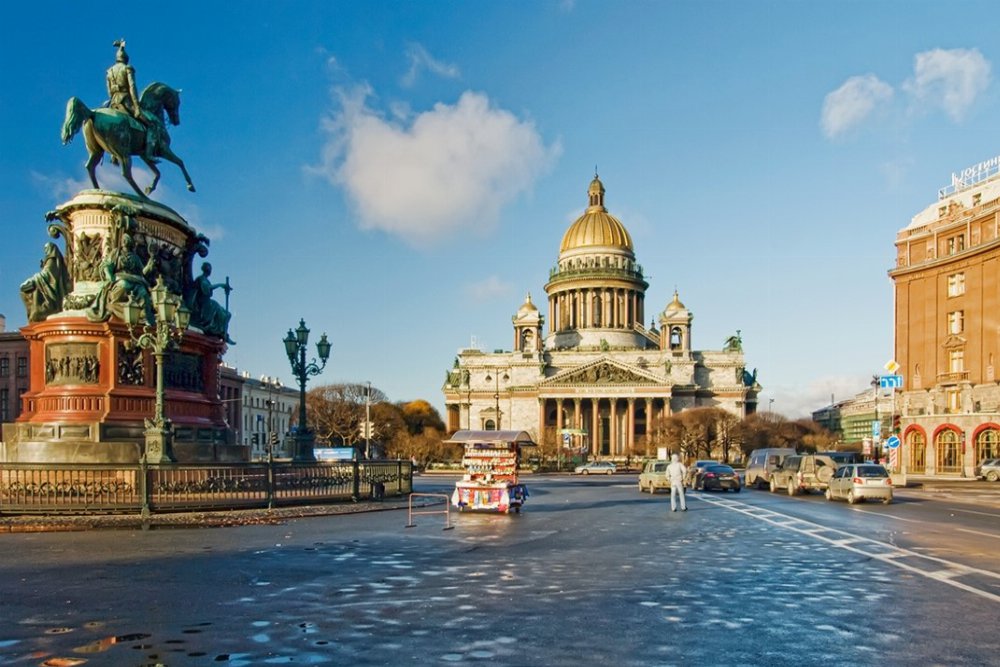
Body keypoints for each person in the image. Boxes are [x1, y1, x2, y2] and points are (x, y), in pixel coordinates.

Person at [106, 39, 157, 161]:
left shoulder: (109, 71)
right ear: (126, 59)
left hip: (113, 102)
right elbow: (132, 87)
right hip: (126, 101)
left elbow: (109, 90)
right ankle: (149, 153)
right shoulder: (127, 68)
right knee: (152, 125)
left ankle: (113, 154)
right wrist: (137, 106)